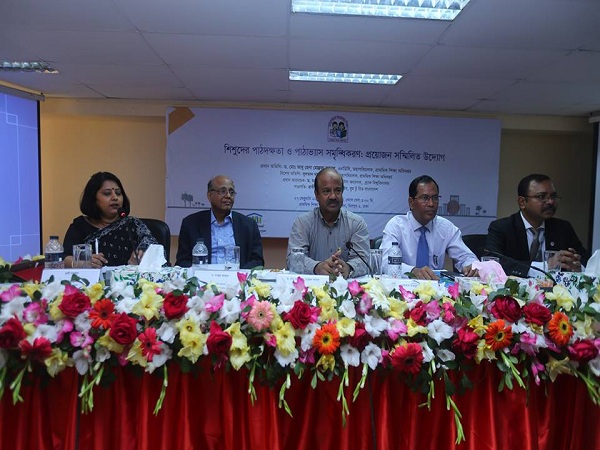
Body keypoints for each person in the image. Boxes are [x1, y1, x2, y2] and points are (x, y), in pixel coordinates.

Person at [485, 173, 589, 277]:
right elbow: (492, 264)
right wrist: (546, 267)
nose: (551, 202)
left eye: (553, 196)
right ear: (522, 202)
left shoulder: (563, 228)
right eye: (541, 197)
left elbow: (586, 261)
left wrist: (579, 268)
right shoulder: (502, 228)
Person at [381, 175, 478, 280]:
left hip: (435, 287)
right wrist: (412, 271)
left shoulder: (446, 228)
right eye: (425, 198)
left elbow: (465, 256)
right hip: (401, 287)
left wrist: (471, 266)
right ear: (411, 202)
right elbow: (384, 262)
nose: (431, 204)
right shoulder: (396, 226)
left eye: (435, 198)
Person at [287, 167, 370, 278]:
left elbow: (364, 259)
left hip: (344, 285)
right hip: (312, 286)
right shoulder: (302, 223)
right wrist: (317, 267)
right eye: (326, 191)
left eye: (338, 190)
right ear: (316, 195)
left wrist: (348, 268)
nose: (333, 196)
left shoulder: (356, 223)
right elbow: (293, 259)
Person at [63, 172, 157, 268]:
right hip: (91, 278)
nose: (115, 198)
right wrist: (82, 262)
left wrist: (143, 257)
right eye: (107, 193)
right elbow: (63, 259)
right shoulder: (80, 225)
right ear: (93, 199)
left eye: (118, 193)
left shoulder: (132, 225)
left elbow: (156, 253)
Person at [175, 175, 264, 269]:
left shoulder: (249, 225)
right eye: (223, 191)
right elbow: (182, 261)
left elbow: (257, 261)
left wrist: (240, 274)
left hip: (237, 276)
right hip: (203, 277)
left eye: (231, 192)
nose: (228, 196)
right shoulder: (191, 223)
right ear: (210, 195)